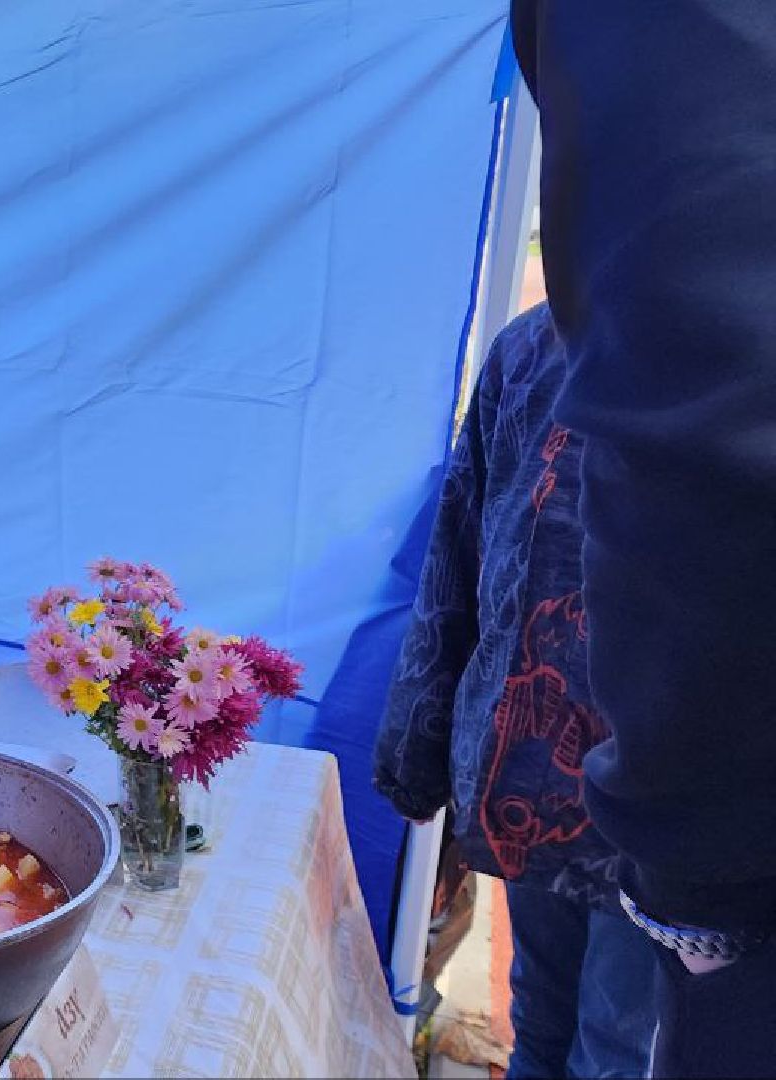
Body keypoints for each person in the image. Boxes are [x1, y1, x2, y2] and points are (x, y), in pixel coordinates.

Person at [509, 5, 776, 1076]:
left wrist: (694, 894)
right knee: (541, 1012)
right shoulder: (519, 359)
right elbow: (464, 569)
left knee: (612, 1039)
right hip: (545, 777)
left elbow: (717, 432)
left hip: (679, 809)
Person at [377, 303, 659, 1078]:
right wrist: (419, 749)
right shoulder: (541, 338)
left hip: (639, 783)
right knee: (568, 1029)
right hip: (547, 768)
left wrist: (419, 749)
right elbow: (463, 544)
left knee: (602, 1040)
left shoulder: (547, 333)